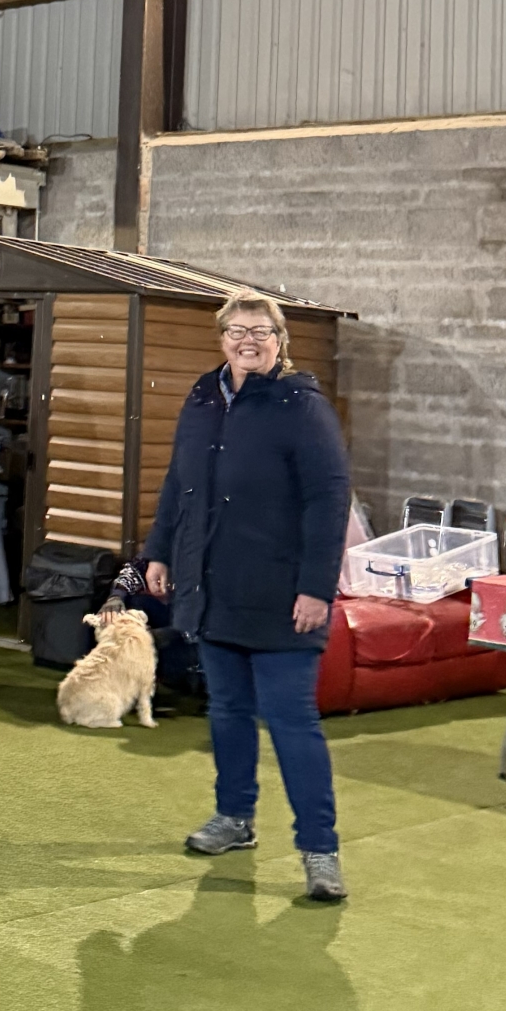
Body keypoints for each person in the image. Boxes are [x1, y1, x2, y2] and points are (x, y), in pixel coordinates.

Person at [143, 289, 353, 905]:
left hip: (282, 594)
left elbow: (329, 499)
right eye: (237, 331)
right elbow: (178, 482)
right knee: (228, 711)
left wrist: (315, 588)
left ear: (280, 341)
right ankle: (234, 818)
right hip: (215, 588)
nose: (248, 341)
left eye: (261, 332)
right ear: (222, 339)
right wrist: (158, 551)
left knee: (292, 723)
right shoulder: (203, 397)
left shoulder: (302, 406)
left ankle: (320, 852)